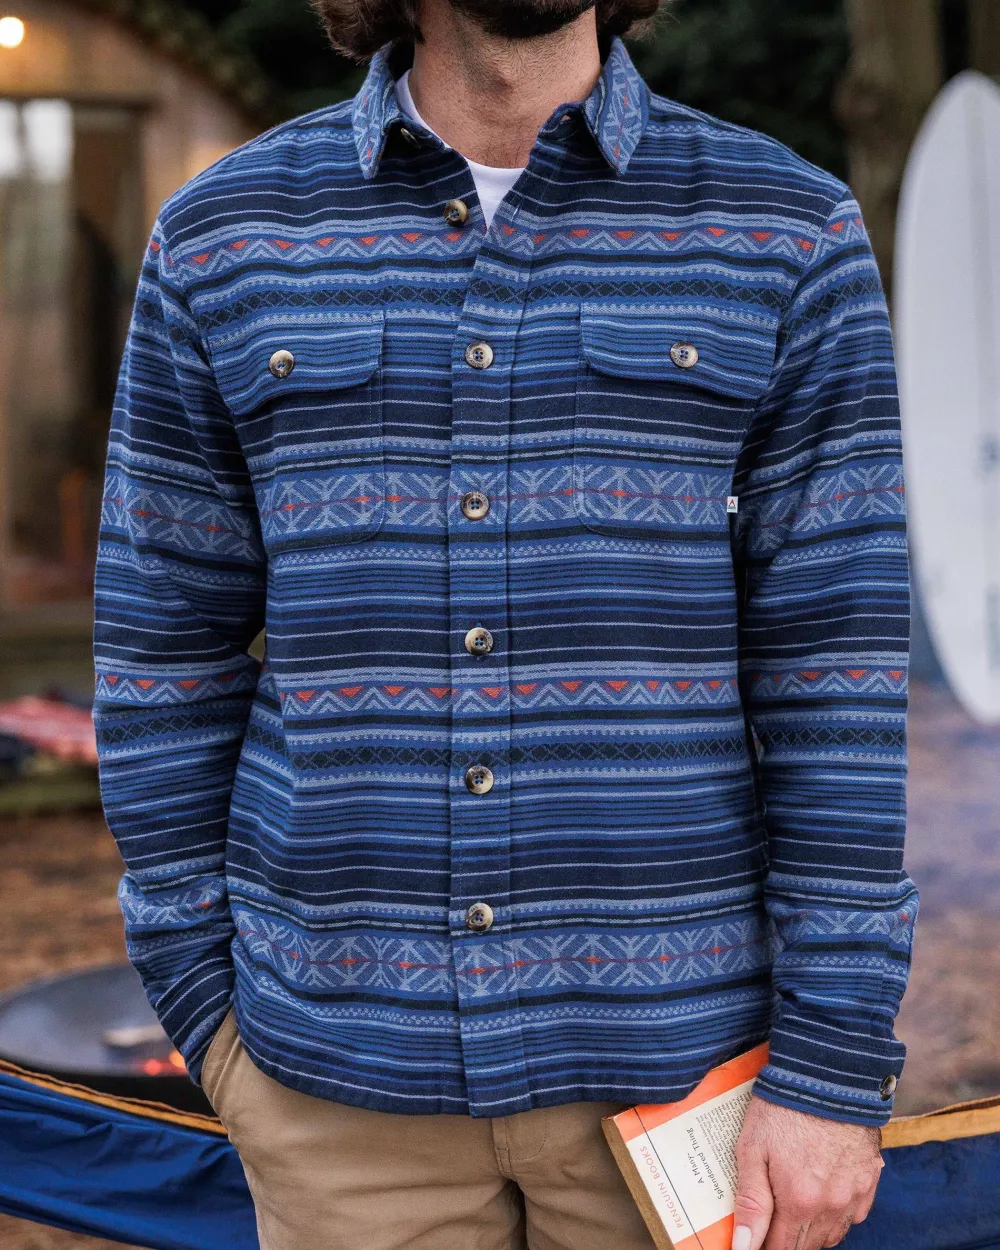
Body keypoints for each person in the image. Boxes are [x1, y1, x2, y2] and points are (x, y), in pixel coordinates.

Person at [92, 2, 919, 1248]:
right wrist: (204, 1001)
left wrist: (831, 1064)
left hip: (686, 1080)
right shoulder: (224, 233)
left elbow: (836, 677)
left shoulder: (786, 229)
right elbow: (164, 645)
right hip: (332, 1088)